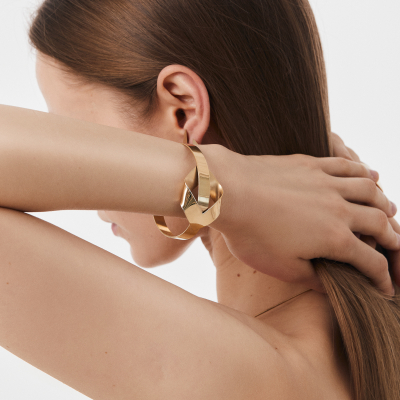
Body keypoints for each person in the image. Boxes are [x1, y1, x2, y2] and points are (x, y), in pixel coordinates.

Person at [0, 0, 398, 399]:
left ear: (183, 111)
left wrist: (226, 184)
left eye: (76, 135)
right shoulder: (366, 332)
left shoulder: (246, 375)